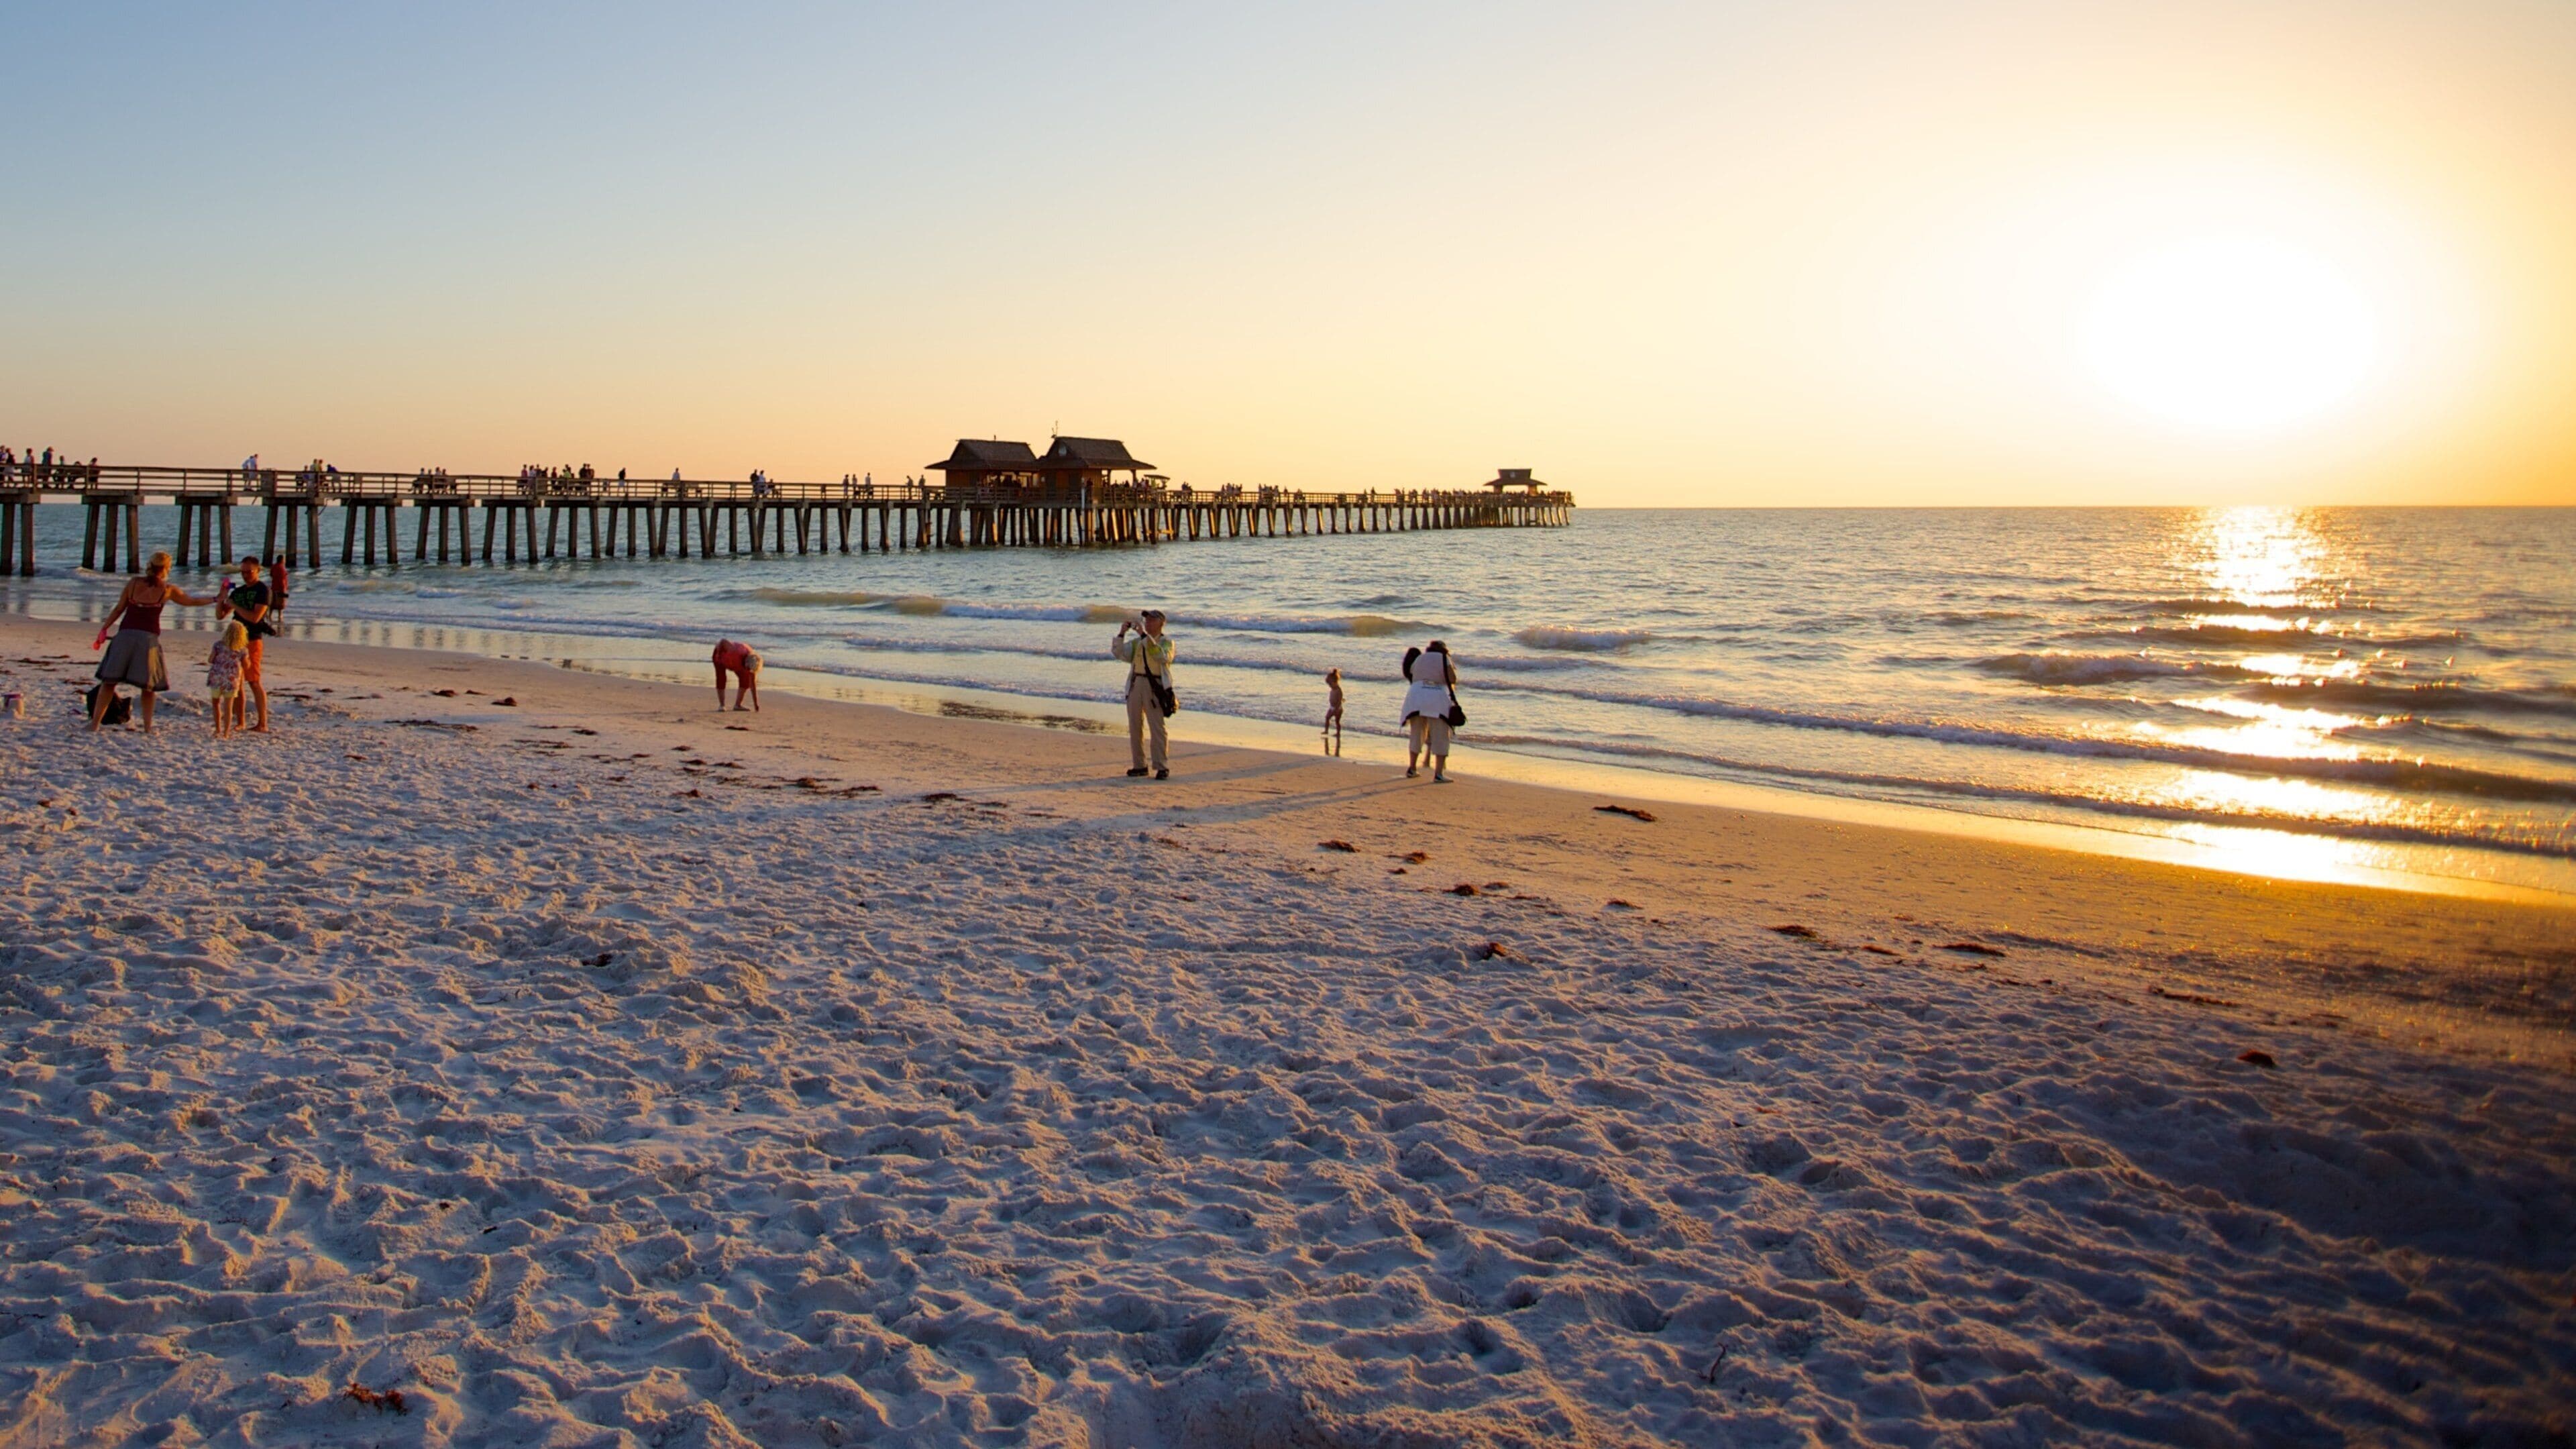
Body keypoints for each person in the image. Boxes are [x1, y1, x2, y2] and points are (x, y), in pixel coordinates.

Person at [90, 553, 219, 733]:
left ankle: (95, 724)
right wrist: (215, 599)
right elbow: (192, 601)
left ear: (149, 565)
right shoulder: (168, 590)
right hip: (147, 640)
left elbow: (119, 608)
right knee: (148, 687)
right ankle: (148, 728)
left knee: (109, 682)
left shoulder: (134, 583)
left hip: (125, 635)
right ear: (167, 568)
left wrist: (104, 629)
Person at [1112, 610, 1175, 779]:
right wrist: (1121, 634)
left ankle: (1161, 766)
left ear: (1161, 623)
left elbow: (1161, 656)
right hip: (1135, 684)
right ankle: (1139, 765)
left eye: (1152, 620)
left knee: (1157, 727)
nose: (1148, 623)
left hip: (1154, 686)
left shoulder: (1166, 642)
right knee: (1134, 726)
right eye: (1146, 620)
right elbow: (1119, 653)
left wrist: (1143, 635)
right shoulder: (1138, 643)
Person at [219, 556, 276, 732]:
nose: (245, 575)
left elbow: (255, 617)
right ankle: (241, 721)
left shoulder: (262, 590)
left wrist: (234, 605)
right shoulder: (239, 591)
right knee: (236, 682)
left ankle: (262, 723)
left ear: (258, 570)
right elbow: (220, 615)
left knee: (254, 681)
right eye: (242, 572)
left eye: (249, 572)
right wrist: (223, 597)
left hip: (252, 639)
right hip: (235, 640)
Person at [1400, 639, 1460, 782]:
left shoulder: (1420, 658)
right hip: (1437, 698)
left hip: (1416, 697)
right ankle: (1439, 774)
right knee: (1441, 735)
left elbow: (1414, 675)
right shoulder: (1445, 659)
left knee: (1417, 733)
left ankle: (1412, 768)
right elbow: (1453, 679)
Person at [206, 620, 248, 739]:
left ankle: (218, 729)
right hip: (232, 680)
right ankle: (226, 732)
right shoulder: (242, 649)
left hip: (217, 678)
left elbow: (210, 660)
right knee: (228, 707)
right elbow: (246, 665)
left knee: (216, 703)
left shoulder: (218, 645)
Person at [712, 639, 761, 711]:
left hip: (735, 663)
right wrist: (719, 654)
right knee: (721, 679)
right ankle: (722, 705)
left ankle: (738, 705)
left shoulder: (752, 665)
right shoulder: (735, 651)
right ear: (746, 662)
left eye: (749, 670)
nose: (748, 671)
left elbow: (753, 686)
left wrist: (756, 704)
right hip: (720, 656)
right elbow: (723, 641)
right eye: (747, 668)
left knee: (746, 680)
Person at [1322, 667, 1344, 755]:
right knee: (1327, 717)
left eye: (1330, 684)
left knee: (1337, 721)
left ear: (1335, 682)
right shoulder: (1333, 689)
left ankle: (1338, 733)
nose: (1330, 686)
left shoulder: (1339, 690)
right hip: (1332, 707)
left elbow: (1340, 700)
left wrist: (1337, 707)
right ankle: (1326, 730)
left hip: (1338, 708)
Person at [266, 554, 291, 624]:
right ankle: (280, 616)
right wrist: (285, 588)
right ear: (282, 560)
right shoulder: (282, 568)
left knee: (273, 602)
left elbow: (271, 574)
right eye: (284, 559)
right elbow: (283, 579)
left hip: (274, 587)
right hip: (281, 587)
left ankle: (270, 615)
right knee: (281, 603)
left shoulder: (274, 566)